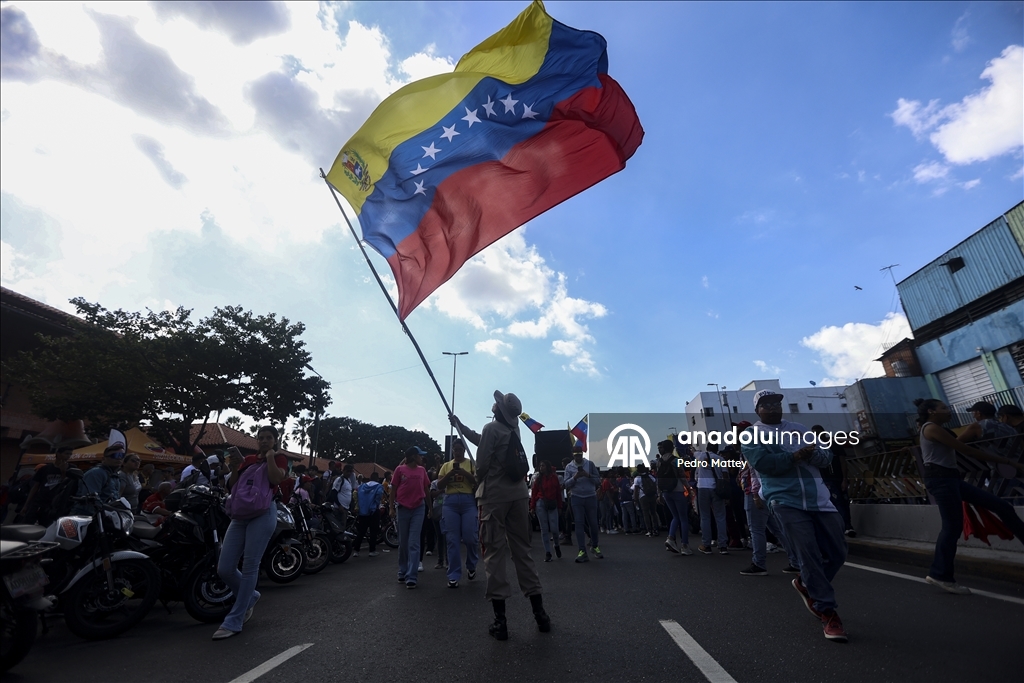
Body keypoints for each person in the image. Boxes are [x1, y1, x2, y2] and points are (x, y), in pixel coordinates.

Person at [742, 390, 848, 642]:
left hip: (819, 499)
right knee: (808, 554)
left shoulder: (799, 428)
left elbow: (826, 456)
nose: (772, 407)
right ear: (757, 410)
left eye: (775, 403)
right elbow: (764, 464)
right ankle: (827, 611)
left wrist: (811, 453)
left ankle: (806, 583)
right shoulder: (751, 435)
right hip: (784, 500)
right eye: (765, 404)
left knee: (838, 552)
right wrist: (795, 456)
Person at [451, 390, 550, 640]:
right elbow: (484, 441)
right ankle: (540, 615)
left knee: (494, 554)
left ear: (499, 410)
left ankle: (501, 621)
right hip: (518, 496)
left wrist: (478, 479)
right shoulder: (513, 430)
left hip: (494, 497)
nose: (493, 406)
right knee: (522, 552)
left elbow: (483, 461)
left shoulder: (491, 429)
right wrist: (461, 427)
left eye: (496, 405)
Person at [913, 399, 1024, 595]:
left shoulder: (936, 428)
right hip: (941, 479)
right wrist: (1009, 462)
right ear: (932, 411)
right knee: (952, 527)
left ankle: (940, 574)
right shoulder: (931, 427)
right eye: (944, 408)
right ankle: (940, 575)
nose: (949, 411)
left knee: (1003, 506)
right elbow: (965, 449)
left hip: (951, 479)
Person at [213, 425, 288, 640]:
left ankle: (234, 619)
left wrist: (270, 456)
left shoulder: (279, 458)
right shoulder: (248, 460)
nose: (264, 441)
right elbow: (232, 487)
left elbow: (275, 479)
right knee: (225, 568)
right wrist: (235, 467)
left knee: (250, 565)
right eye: (261, 437)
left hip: (263, 512)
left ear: (275, 440)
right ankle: (250, 596)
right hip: (240, 514)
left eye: (268, 438)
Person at [436, 439, 478, 587]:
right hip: (450, 502)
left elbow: (477, 481)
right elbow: (439, 485)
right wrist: (449, 474)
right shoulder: (446, 466)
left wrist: (464, 473)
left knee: (470, 536)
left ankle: (471, 564)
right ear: (452, 451)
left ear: (464, 450)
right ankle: (453, 574)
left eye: (460, 450)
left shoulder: (471, 464)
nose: (458, 452)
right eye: (455, 450)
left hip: (468, 501)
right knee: (452, 540)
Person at [391, 447, 430, 588]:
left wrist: (430, 508)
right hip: (402, 508)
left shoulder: (422, 470)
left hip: (418, 508)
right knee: (403, 542)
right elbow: (393, 489)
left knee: (414, 542)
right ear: (414, 457)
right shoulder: (399, 470)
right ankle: (402, 570)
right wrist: (391, 508)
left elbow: (426, 489)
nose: (422, 458)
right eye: (420, 455)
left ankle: (412, 576)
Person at [812, 425, 855, 537]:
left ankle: (847, 525)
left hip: (838, 478)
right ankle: (845, 526)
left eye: (819, 433)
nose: (818, 436)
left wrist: (844, 479)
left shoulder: (835, 445)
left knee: (844, 502)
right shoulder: (815, 448)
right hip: (827, 480)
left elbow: (843, 462)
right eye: (815, 434)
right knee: (837, 501)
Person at [564, 445, 603, 561]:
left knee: (593, 523)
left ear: (582, 454)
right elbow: (566, 484)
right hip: (576, 497)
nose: (578, 457)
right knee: (579, 523)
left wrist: (587, 475)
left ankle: (595, 546)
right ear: (573, 455)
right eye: (576, 456)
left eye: (580, 455)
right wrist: (575, 477)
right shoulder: (569, 467)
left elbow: (598, 480)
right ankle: (582, 551)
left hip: (590, 496)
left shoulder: (589, 464)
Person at [18, 447, 74, 525]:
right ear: (58, 454)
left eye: (70, 454)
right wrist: (26, 505)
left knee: (46, 526)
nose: (68, 456)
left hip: (55, 504)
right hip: (39, 501)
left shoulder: (72, 468)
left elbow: (68, 484)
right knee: (27, 523)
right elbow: (35, 486)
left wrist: (63, 472)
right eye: (66, 453)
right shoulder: (45, 468)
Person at [657, 440, 693, 556]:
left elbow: (658, 479)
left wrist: (659, 494)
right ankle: (685, 545)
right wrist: (689, 489)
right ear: (672, 448)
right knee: (683, 518)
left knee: (675, 516)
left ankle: (671, 538)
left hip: (666, 492)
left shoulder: (659, 462)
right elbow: (682, 476)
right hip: (677, 490)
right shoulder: (676, 460)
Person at [72, 442, 125, 515]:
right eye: (115, 455)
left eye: (122, 455)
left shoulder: (115, 475)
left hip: (105, 516)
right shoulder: (96, 473)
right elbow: (91, 499)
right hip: (87, 516)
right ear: (104, 459)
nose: (119, 458)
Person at [695, 444, 730, 555]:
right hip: (717, 488)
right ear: (717, 449)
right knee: (720, 517)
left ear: (707, 448)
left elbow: (693, 452)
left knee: (705, 517)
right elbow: (725, 475)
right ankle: (723, 546)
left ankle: (706, 545)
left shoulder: (700, 456)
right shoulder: (720, 459)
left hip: (702, 488)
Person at [530, 460, 562, 562]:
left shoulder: (554, 478)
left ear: (547, 467)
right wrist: (532, 506)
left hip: (552, 503)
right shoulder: (538, 479)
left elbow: (558, 493)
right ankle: (548, 552)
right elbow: (534, 493)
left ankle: (556, 544)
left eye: (543, 466)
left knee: (554, 529)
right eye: (540, 466)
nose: (541, 468)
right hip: (541, 503)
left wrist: (560, 506)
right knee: (544, 529)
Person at [353, 472, 384, 558]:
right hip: (373, 511)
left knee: (361, 531)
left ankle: (356, 550)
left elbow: (355, 493)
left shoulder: (362, 486)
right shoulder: (379, 486)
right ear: (377, 478)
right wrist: (375, 505)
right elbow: (378, 496)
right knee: (373, 531)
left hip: (363, 511)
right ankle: (372, 550)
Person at [633, 463, 658, 536]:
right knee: (653, 513)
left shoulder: (637, 478)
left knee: (645, 514)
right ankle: (655, 529)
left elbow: (636, 490)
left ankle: (649, 530)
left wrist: (635, 499)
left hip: (643, 496)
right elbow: (655, 484)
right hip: (652, 495)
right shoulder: (650, 476)